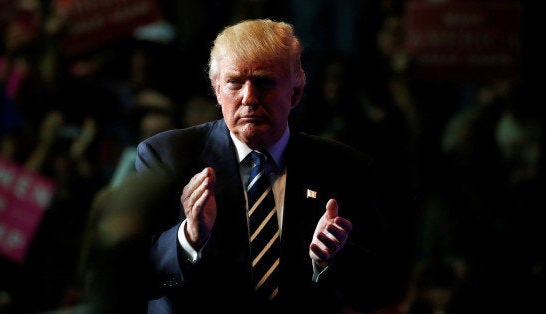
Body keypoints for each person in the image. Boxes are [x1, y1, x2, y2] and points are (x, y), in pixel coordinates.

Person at [135, 19, 403, 313]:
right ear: (217, 90)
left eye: (264, 82)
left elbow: (382, 290)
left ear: (296, 92)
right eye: (235, 82)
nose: (249, 98)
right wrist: (188, 237)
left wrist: (330, 260)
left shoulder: (344, 167)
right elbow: (134, 277)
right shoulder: (166, 156)